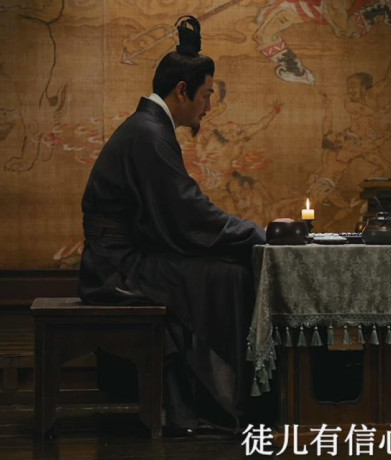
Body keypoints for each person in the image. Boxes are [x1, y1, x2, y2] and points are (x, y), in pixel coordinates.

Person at [78, 16, 283, 437]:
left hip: (125, 256)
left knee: (227, 273)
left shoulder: (150, 129)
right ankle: (224, 405)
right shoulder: (149, 134)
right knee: (230, 278)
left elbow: (180, 211)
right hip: (116, 268)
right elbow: (187, 213)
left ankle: (218, 402)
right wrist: (256, 234)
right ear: (183, 90)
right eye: (206, 95)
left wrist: (247, 234)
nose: (208, 106)